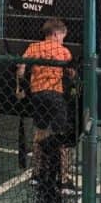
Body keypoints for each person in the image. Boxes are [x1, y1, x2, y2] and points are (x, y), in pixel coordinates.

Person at [17, 18, 76, 191]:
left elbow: (21, 67)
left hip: (37, 95)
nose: (62, 40)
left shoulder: (33, 47)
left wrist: (20, 87)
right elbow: (71, 74)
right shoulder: (64, 51)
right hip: (55, 96)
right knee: (61, 135)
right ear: (56, 34)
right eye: (62, 36)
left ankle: (36, 174)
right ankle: (63, 180)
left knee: (40, 133)